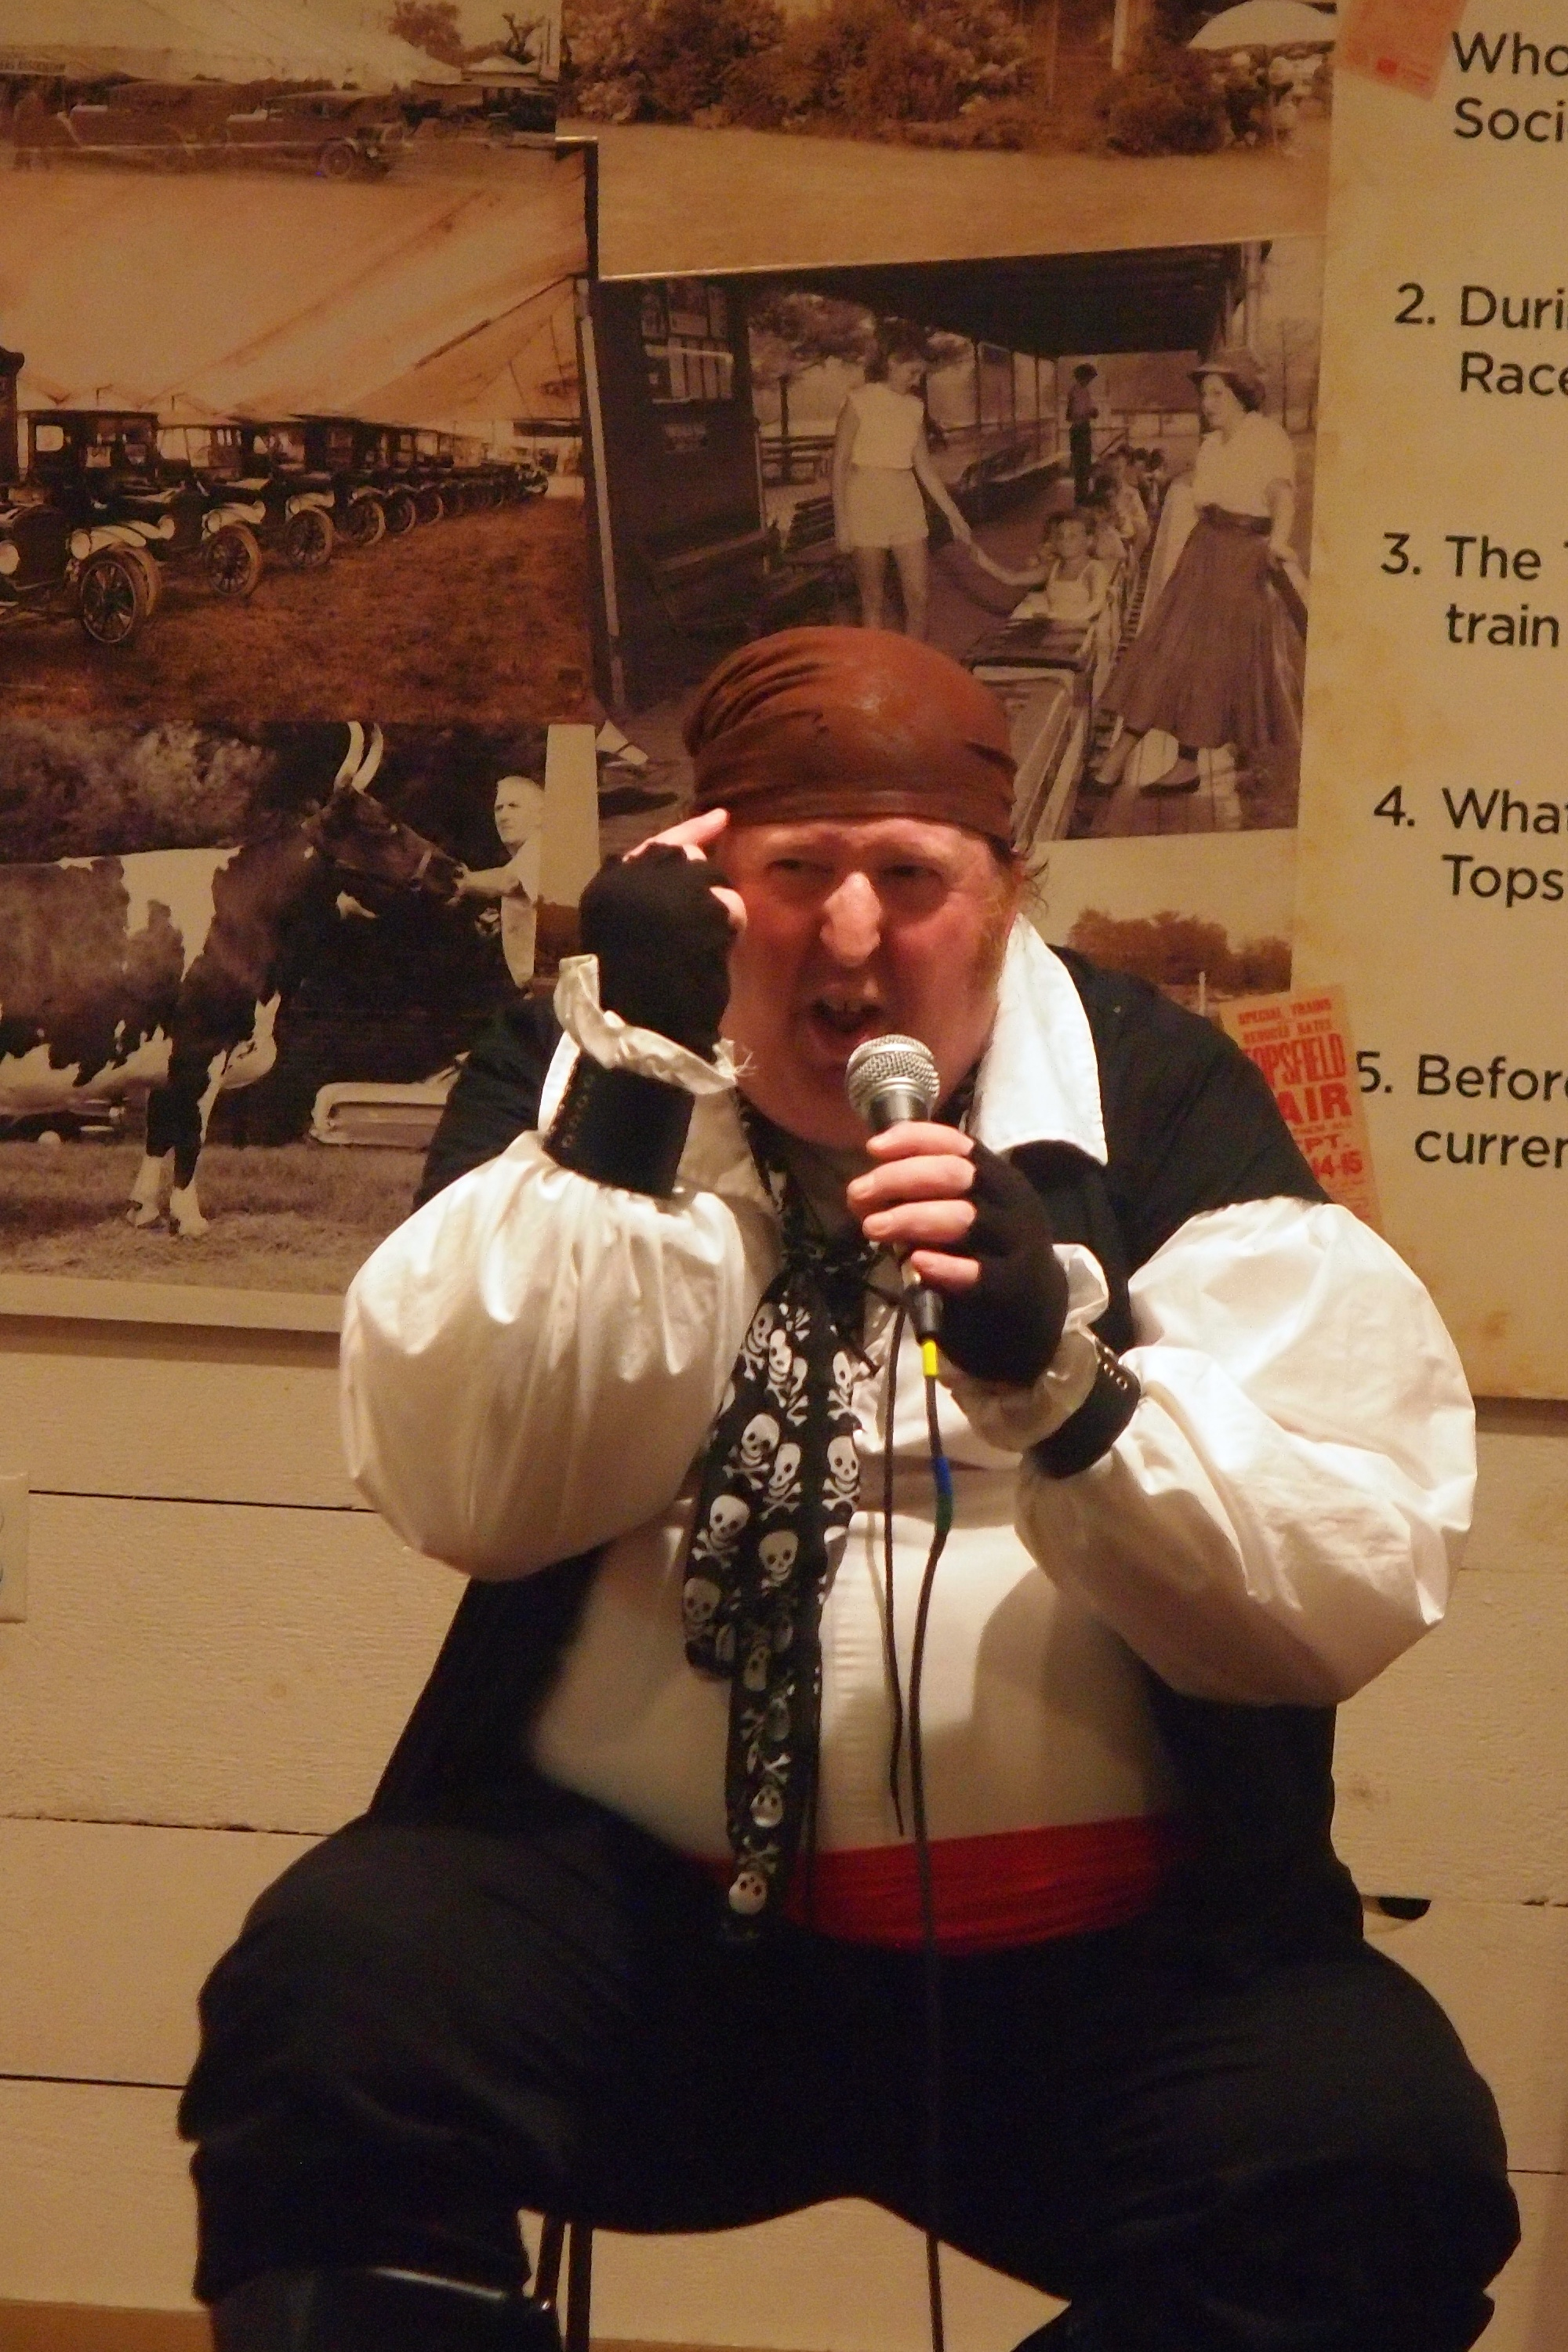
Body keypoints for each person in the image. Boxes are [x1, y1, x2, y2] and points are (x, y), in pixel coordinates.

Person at [179, 629, 1517, 2352]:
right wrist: (637, 1103)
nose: (852, 938)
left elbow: (1345, 1574)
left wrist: (1070, 1388)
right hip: (643, 1949)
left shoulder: (1165, 1099)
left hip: (1101, 1979)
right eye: (795, 872)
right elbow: (474, 1487)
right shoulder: (581, 1077)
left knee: (1376, 2157)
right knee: (337, 2004)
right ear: (706, 881)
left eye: (910, 877)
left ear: (1009, 896)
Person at [1090, 347, 1308, 798]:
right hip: (1205, 552)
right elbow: (1205, 497)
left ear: (1241, 394)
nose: (1206, 403)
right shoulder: (1211, 446)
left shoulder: (1266, 438)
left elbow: (1281, 496)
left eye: (1216, 393)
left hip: (1243, 558)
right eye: (1204, 394)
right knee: (1166, 649)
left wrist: (1280, 541)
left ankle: (1176, 763)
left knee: (1213, 661)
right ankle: (1144, 761)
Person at [832, 324, 975, 638]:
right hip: (865, 504)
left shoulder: (914, 407)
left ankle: (914, 663)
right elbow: (839, 465)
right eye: (913, 372)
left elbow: (924, 468)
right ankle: (876, 666)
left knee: (919, 597)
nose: (917, 381)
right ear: (892, 362)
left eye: (921, 374)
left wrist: (955, 516)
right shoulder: (858, 401)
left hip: (906, 504)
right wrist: (842, 524)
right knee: (873, 601)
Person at [453, 773, 546, 989]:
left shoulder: (542, 847)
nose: (503, 816)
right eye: (499, 809)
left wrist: (464, 881)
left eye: (513, 806)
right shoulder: (523, 858)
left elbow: (508, 882)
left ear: (541, 815)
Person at [972, 506, 1112, 626]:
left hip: (1081, 630)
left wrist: (1065, 621)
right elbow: (1013, 578)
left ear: (1089, 540)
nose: (1065, 542)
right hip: (1054, 626)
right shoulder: (1053, 567)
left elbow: (1097, 604)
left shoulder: (1094, 569)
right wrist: (984, 561)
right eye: (1060, 536)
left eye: (1072, 536)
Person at [1065, 363, 1098, 504]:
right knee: (1080, 466)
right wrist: (1088, 413)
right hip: (1078, 430)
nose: (1089, 381)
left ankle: (1084, 495)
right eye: (1088, 378)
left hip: (1085, 428)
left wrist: (1092, 413)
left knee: (1086, 464)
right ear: (1081, 377)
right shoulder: (1074, 392)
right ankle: (1080, 497)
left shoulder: (1085, 392)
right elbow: (1070, 416)